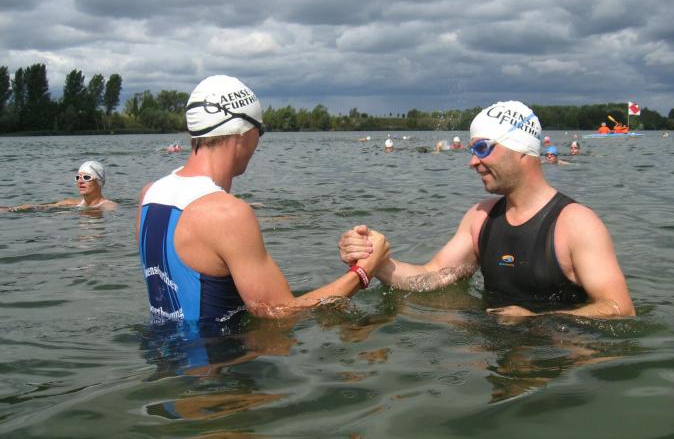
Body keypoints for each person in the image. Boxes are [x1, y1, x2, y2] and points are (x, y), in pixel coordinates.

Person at [339, 100, 634, 319]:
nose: (472, 162)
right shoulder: (481, 218)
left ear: (520, 149)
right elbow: (433, 276)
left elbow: (619, 309)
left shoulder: (576, 224)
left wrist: (537, 320)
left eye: (482, 149)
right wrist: (374, 260)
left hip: (556, 359)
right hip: (492, 353)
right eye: (472, 151)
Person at [136, 74, 390, 323]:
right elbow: (280, 313)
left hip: (159, 349)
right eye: (261, 131)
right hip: (219, 352)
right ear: (244, 133)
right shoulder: (227, 214)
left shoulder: (150, 194)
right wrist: (364, 270)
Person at [2, 161, 117, 212]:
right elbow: (39, 207)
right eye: (78, 177)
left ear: (99, 181)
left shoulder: (109, 206)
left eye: (86, 177)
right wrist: (10, 209)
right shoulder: (71, 203)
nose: (80, 181)